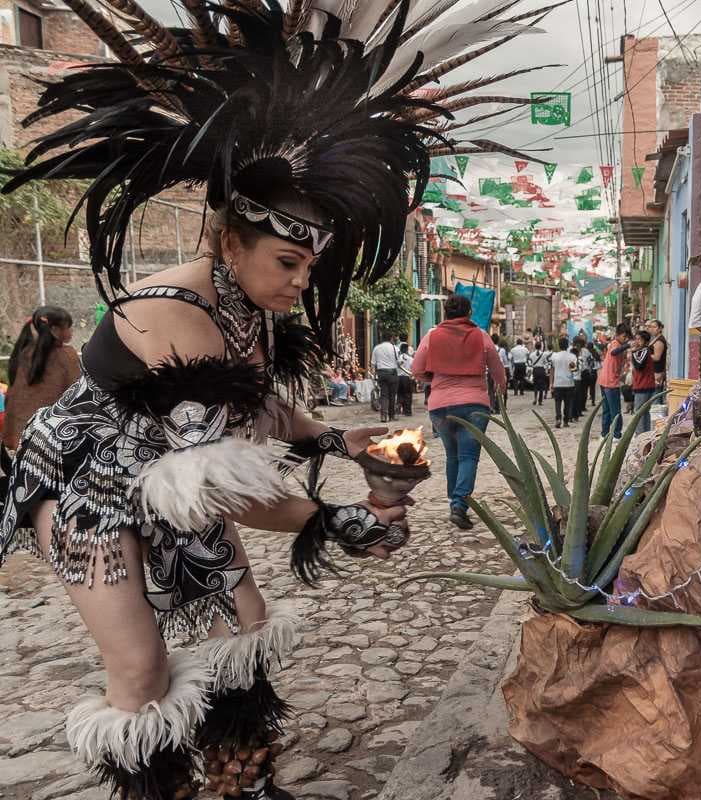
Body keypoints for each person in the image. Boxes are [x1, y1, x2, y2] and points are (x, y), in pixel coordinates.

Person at [0, 2, 548, 798]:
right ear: (229, 242)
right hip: (90, 494)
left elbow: (258, 414)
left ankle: (242, 782)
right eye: (287, 262)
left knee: (242, 630)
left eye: (309, 268)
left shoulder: (249, 305)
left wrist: (340, 442)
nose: (300, 282)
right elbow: (223, 486)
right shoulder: (174, 312)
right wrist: (331, 519)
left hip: (173, 480)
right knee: (140, 661)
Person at [412, 295, 506, 531]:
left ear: (446, 312)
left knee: (452, 455)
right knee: (468, 457)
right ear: (469, 313)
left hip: (440, 405)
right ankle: (459, 504)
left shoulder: (431, 335)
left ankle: (454, 502)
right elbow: (497, 370)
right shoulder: (481, 336)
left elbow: (416, 369)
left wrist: (432, 380)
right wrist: (501, 390)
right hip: (474, 404)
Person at [2, 306, 80, 451]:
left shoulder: (24, 352)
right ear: (55, 330)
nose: (72, 331)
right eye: (69, 327)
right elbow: (77, 393)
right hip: (50, 439)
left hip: (19, 436)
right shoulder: (67, 356)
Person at [597, 323, 632, 439]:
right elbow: (614, 352)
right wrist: (627, 345)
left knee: (607, 410)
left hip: (605, 381)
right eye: (625, 337)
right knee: (615, 411)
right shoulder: (615, 344)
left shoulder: (615, 343)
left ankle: (605, 433)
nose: (626, 339)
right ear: (621, 335)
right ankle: (616, 435)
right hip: (610, 383)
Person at [630, 331, 657, 435]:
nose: (636, 342)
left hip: (644, 387)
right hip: (641, 386)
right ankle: (645, 435)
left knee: (640, 414)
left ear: (645, 342)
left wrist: (633, 352)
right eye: (635, 339)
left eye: (639, 339)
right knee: (644, 413)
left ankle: (641, 436)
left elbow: (639, 365)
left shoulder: (645, 351)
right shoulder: (641, 351)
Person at [372, 331, 402, 422]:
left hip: (381, 373)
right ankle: (391, 415)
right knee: (392, 395)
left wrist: (374, 375)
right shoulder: (395, 348)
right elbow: (399, 362)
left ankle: (383, 416)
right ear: (391, 338)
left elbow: (373, 363)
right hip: (392, 373)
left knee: (384, 395)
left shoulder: (376, 348)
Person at [548, 336, 577, 429]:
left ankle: (558, 418)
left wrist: (551, 383)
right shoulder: (572, 356)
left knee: (557, 402)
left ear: (559, 345)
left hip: (558, 382)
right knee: (568, 403)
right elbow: (574, 369)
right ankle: (566, 421)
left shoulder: (554, 356)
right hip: (569, 383)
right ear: (567, 345)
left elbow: (551, 370)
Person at [646, 319, 669, 391]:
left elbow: (657, 357)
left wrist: (644, 355)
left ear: (660, 328)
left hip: (657, 372)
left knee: (656, 396)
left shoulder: (659, 341)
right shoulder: (654, 338)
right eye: (651, 327)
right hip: (653, 371)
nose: (652, 329)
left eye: (654, 327)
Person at [529, 342, 550, 406]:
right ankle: (540, 401)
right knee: (541, 386)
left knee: (535, 385)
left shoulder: (531, 354)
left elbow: (530, 363)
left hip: (535, 370)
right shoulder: (544, 354)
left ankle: (535, 398)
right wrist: (546, 370)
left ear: (535, 347)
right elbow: (546, 363)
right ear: (541, 347)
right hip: (541, 370)